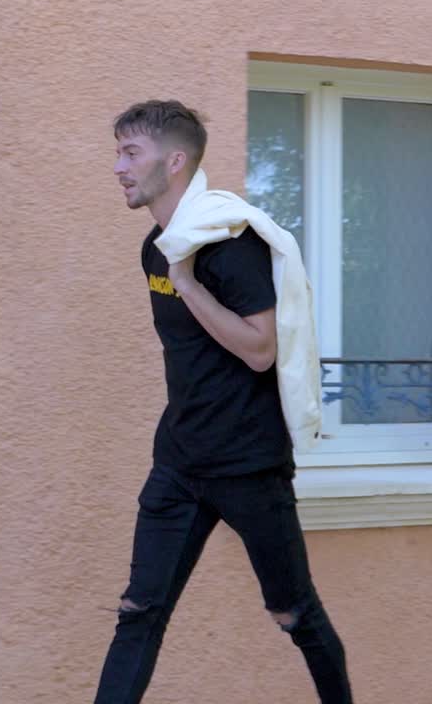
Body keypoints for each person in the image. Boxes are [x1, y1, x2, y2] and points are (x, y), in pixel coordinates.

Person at [95, 99, 351, 704]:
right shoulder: (155, 246)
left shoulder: (229, 243)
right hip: (179, 464)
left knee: (295, 614)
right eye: (118, 152)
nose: (118, 167)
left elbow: (260, 349)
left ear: (175, 160)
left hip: (248, 467)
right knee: (139, 612)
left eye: (131, 153)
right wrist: (175, 271)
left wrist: (186, 283)